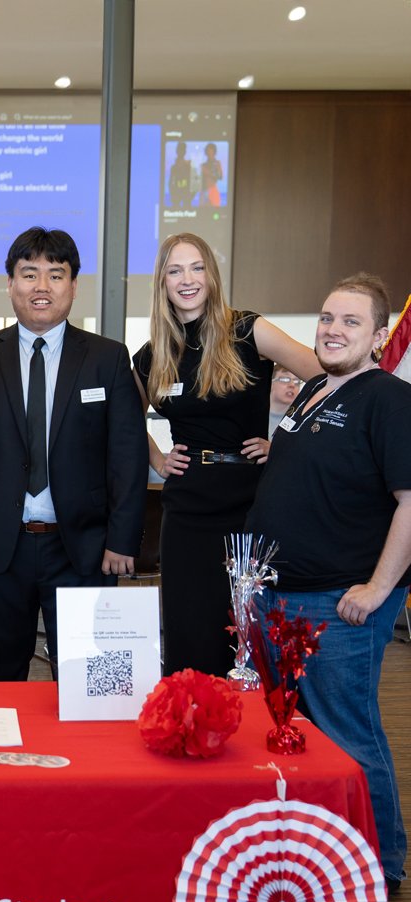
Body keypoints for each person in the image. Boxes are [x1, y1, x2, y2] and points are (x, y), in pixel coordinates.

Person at [247, 272, 410, 889]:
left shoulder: (391, 400)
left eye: (350, 322)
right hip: (277, 597)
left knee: (349, 734)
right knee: (297, 736)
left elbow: (410, 502)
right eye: (325, 318)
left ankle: (381, 865)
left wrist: (375, 590)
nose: (332, 330)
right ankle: (321, 852)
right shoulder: (314, 386)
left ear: (379, 337)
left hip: (336, 606)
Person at [0, 227, 147, 681]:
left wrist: (122, 538)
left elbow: (127, 455)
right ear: (10, 283)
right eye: (29, 274)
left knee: (89, 684)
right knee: (1, 678)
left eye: (55, 275)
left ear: (74, 286)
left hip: (85, 549)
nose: (42, 287)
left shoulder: (107, 358)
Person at [132, 233, 319, 677]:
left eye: (196, 267)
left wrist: (284, 440)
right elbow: (124, 422)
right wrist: (157, 458)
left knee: (245, 636)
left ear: (211, 276)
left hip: (249, 507)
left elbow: (324, 377)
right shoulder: (153, 354)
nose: (187, 279)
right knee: (188, 629)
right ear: (162, 282)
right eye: (174, 270)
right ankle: (193, 725)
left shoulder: (248, 329)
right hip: (187, 508)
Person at [268, 365, 302, 437]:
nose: (292, 385)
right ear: (270, 383)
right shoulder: (253, 414)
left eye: (296, 381)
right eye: (285, 379)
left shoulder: (301, 419)